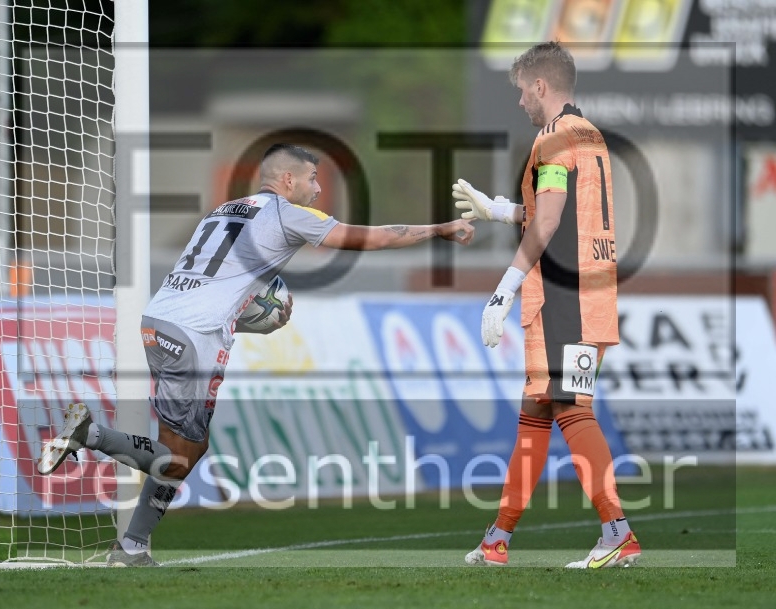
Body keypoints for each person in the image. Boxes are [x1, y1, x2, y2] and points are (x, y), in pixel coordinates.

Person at [38, 143, 474, 566]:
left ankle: (132, 547)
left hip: (160, 323)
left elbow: (216, 281)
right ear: (288, 180)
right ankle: (92, 438)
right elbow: (371, 238)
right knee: (182, 457)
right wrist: (439, 230)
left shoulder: (222, 210)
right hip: (195, 336)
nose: (318, 188)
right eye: (313, 178)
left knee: (185, 448)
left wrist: (247, 316)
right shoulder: (287, 213)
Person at [453, 42, 641, 568]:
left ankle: (617, 531)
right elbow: (559, 209)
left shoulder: (554, 136)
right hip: (585, 291)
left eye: (522, 90)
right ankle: (497, 539)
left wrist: (504, 286)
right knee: (536, 411)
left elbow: (551, 221)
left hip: (566, 296)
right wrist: (500, 210)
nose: (520, 102)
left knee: (570, 407)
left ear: (540, 85)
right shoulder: (587, 134)